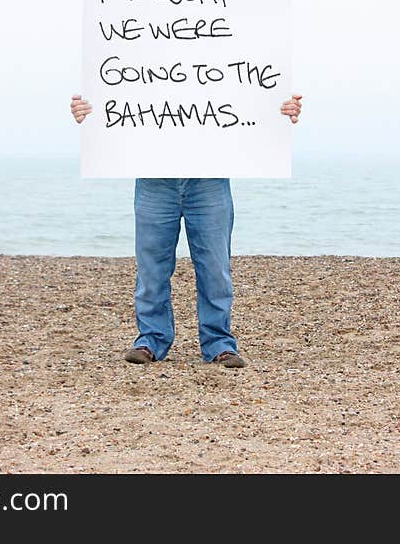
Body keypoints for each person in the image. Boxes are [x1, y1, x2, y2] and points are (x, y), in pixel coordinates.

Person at [69, 94, 303, 367]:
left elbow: (248, 94)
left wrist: (278, 111)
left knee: (215, 268)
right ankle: (151, 339)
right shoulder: (139, 55)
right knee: (151, 268)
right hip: (153, 175)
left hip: (209, 176)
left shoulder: (223, 57)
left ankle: (219, 343)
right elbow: (116, 95)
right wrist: (90, 112)